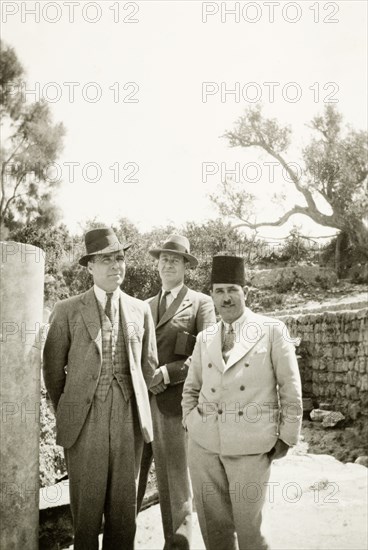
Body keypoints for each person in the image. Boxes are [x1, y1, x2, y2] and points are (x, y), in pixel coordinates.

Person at [43, 227, 158, 550]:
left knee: (124, 512)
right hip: (84, 422)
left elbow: (148, 368)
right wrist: (73, 408)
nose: (115, 266)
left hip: (128, 421)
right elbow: (52, 373)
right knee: (87, 511)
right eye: (105, 259)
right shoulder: (67, 311)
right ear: (89, 266)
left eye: (119, 258)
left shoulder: (140, 309)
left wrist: (139, 416)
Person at [182, 255, 303, 550]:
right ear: (212, 295)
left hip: (250, 448)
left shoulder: (272, 330)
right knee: (214, 531)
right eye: (219, 291)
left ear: (245, 293)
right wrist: (190, 422)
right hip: (205, 446)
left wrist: (286, 437)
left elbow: (290, 388)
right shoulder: (205, 337)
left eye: (233, 290)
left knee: (251, 532)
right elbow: (191, 388)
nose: (226, 298)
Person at [137, 235, 216, 549]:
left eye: (174, 259)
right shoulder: (143, 306)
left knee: (175, 486)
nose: (167, 263)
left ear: (186, 266)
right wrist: (147, 376)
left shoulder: (201, 303)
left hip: (176, 406)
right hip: (141, 404)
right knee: (129, 485)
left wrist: (167, 374)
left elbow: (207, 353)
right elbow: (133, 351)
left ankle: (178, 545)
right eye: (163, 258)